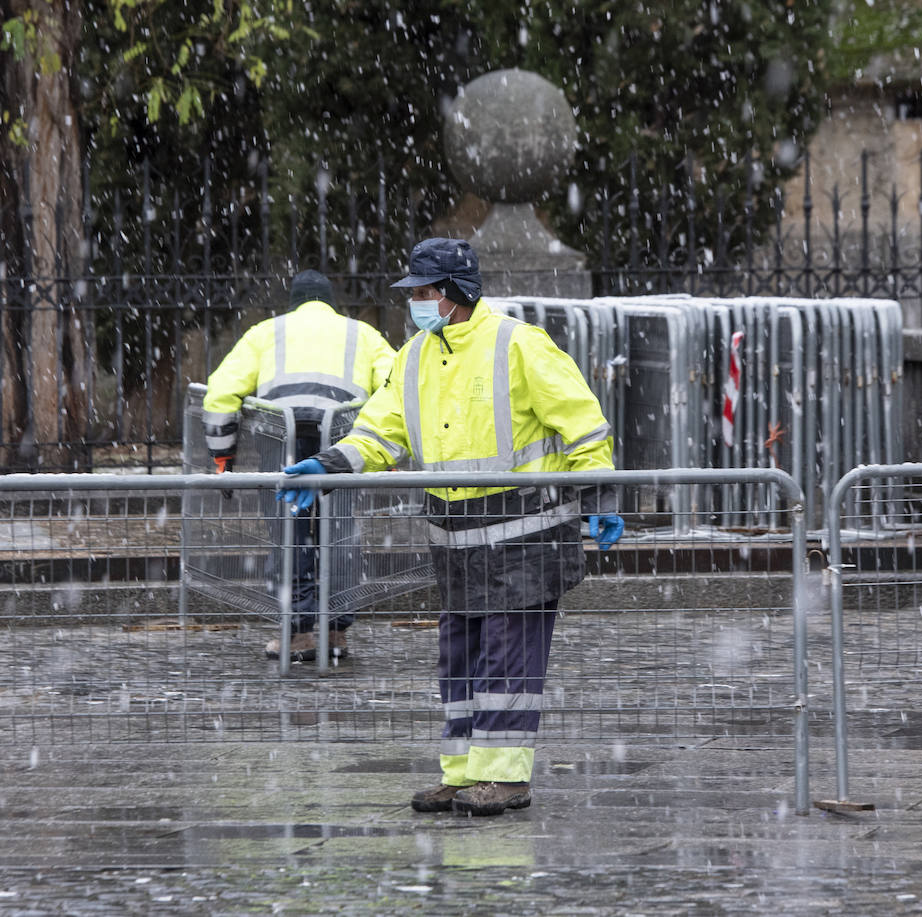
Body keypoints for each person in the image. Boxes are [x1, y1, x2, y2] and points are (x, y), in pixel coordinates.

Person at [278, 238, 624, 816]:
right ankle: (462, 773)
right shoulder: (413, 356)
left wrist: (599, 495)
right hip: (457, 540)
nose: (414, 301)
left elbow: (582, 423)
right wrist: (329, 465)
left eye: (424, 291)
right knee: (459, 660)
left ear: (455, 292)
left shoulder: (519, 344)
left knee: (508, 659)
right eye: (412, 292)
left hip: (525, 534)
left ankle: (505, 779)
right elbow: (380, 431)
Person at [203, 269, 395, 662]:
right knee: (340, 532)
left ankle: (298, 631)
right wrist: (384, 450)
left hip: (283, 439)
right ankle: (336, 629)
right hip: (341, 440)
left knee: (288, 531)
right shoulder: (362, 334)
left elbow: (220, 393)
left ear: (293, 303)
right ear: (330, 303)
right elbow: (395, 388)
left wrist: (223, 457)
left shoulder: (265, 333)